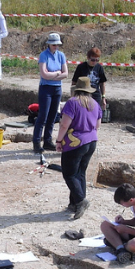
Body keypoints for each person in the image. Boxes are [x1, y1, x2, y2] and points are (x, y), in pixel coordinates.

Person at [55, 78, 102, 219]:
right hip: (91, 141)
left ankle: (81, 201)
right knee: (80, 172)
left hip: (75, 143)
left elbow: (64, 125)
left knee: (69, 174)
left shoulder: (72, 103)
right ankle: (74, 203)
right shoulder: (95, 104)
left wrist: (58, 140)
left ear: (76, 89)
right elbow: (98, 125)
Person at [33, 33, 68, 154]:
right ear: (49, 44)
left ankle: (47, 141)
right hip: (46, 88)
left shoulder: (61, 55)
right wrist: (57, 74)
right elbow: (44, 74)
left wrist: (52, 75)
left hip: (57, 88)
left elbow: (66, 73)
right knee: (43, 116)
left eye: (58, 44)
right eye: (54, 44)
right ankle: (36, 142)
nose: (56, 46)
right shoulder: (43, 55)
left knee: (53, 116)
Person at [71, 47, 108, 117]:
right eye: (93, 60)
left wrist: (103, 97)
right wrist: (73, 96)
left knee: (95, 116)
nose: (95, 62)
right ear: (88, 57)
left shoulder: (99, 67)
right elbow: (74, 83)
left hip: (96, 95)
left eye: (97, 60)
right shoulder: (81, 67)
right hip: (83, 95)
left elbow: (102, 83)